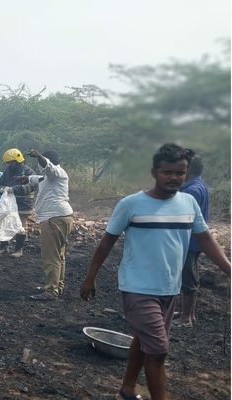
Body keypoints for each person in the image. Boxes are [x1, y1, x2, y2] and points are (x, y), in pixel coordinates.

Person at [79, 143, 230, 400]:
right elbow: (107, 241)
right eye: (167, 172)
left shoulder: (189, 203)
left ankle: (127, 389)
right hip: (137, 286)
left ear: (186, 174)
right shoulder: (131, 204)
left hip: (170, 287)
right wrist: (89, 277)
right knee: (159, 349)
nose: (173, 178)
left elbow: (204, 238)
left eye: (179, 173)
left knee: (144, 339)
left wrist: (229, 269)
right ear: (154, 172)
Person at [25, 149, 74, 301]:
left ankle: (51, 291)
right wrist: (24, 178)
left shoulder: (57, 172)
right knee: (59, 255)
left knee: (51, 256)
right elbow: (37, 178)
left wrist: (39, 156)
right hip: (61, 217)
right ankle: (57, 286)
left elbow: (48, 168)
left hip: (54, 219)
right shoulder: (49, 176)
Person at [173, 155, 208, 328]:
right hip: (193, 241)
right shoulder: (197, 185)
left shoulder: (191, 191)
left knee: (187, 278)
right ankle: (188, 314)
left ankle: (186, 318)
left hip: (187, 241)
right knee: (190, 275)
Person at [0, 148, 36, 257]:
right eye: (8, 162)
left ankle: (18, 250)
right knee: (5, 224)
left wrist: (14, 189)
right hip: (9, 204)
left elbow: (32, 186)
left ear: (18, 160)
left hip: (24, 204)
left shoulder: (28, 172)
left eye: (11, 162)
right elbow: (0, 184)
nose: (9, 164)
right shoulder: (7, 172)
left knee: (21, 227)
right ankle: (4, 247)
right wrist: (1, 189)